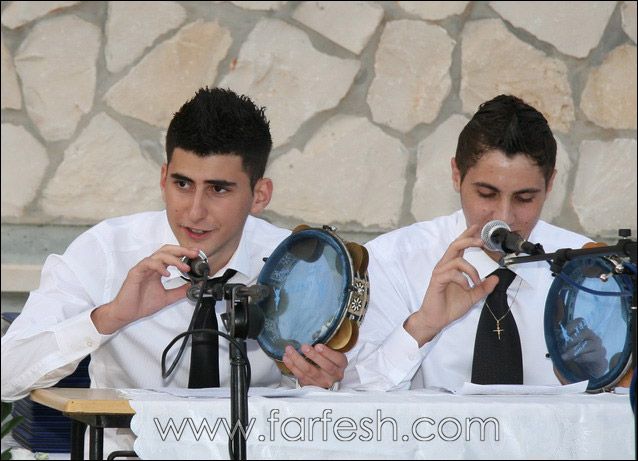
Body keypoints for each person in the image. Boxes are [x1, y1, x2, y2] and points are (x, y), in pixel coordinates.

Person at [1, 87, 347, 449]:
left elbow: (347, 406)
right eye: (182, 184)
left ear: (259, 195)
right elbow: (7, 375)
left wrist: (319, 385)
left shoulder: (299, 265)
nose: (194, 212)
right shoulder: (106, 251)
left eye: (218, 190)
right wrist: (111, 317)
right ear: (163, 178)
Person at [342, 94, 602, 391]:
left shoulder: (586, 268)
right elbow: (352, 398)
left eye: (524, 198)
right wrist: (423, 326)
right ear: (456, 175)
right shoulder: (392, 261)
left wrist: (594, 377)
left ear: (550, 184)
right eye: (486, 194)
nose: (504, 217)